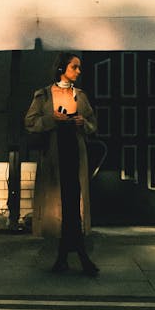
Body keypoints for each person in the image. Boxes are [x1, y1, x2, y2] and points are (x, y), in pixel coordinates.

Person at [24, 52, 99, 276]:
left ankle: (69, 254)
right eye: (74, 67)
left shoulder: (80, 96)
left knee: (74, 202)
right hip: (55, 155)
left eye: (79, 67)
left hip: (76, 153)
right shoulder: (45, 95)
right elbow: (30, 122)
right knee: (61, 203)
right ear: (62, 68)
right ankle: (69, 253)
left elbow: (93, 125)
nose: (78, 71)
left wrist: (82, 122)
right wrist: (51, 120)